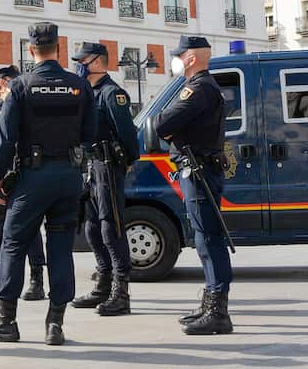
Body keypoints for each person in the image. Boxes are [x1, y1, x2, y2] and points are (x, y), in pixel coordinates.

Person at [0, 22, 95, 347]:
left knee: (12, 243)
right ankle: (55, 323)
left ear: (30, 50)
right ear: (59, 47)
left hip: (32, 177)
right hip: (69, 176)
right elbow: (90, 134)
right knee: (60, 248)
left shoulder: (22, 87)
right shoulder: (79, 86)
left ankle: (5, 321)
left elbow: (6, 137)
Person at [158, 36, 234, 336]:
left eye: (179, 55)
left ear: (190, 58)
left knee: (208, 239)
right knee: (205, 238)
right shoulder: (200, 86)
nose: (175, 59)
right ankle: (211, 304)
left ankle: (218, 312)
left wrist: (168, 126)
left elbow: (163, 123)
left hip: (199, 171)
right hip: (199, 169)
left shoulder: (199, 88)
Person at [69, 42, 140, 316]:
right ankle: (103, 283)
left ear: (98, 62)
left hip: (109, 165)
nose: (79, 65)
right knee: (91, 227)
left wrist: (128, 161)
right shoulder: (88, 94)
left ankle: (121, 292)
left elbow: (128, 134)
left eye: (82, 60)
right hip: (92, 165)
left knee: (112, 227)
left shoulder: (112, 94)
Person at [0, 66, 47, 302]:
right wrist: (9, 112)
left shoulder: (25, 106)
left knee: (31, 226)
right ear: (2, 84)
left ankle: (37, 280)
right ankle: (1, 279)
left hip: (23, 171)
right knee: (0, 227)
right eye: (11, 81)